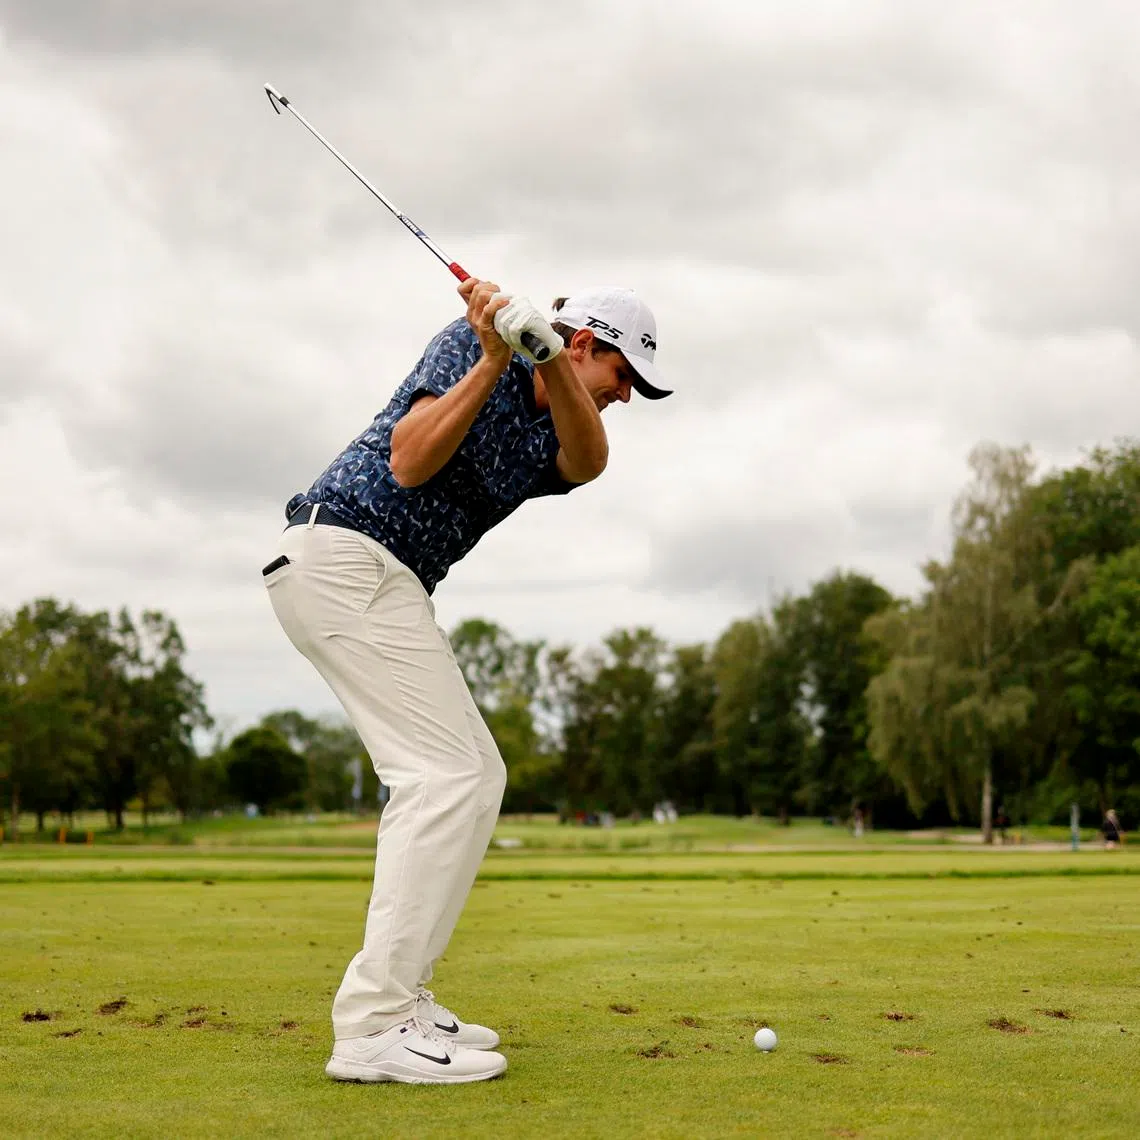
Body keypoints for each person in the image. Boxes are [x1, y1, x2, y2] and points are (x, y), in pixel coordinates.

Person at [262, 279, 670, 1084]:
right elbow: (410, 462)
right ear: (589, 341)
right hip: (345, 556)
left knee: (473, 774)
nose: (626, 396)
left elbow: (589, 462)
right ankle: (374, 1023)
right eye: (623, 374)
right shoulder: (466, 342)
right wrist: (491, 357)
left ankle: (399, 998)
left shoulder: (560, 413)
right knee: (443, 776)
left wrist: (547, 359)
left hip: (386, 579)